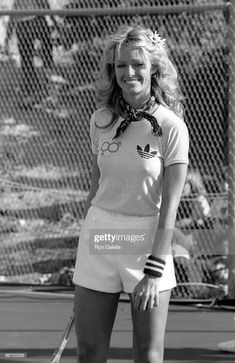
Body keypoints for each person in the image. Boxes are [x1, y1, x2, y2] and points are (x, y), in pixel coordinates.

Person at [72, 24, 189, 363]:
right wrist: (85, 249)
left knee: (148, 355)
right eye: (120, 65)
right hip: (101, 235)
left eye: (137, 64)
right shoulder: (100, 120)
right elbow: (96, 187)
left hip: (147, 241)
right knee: (90, 352)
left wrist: (154, 271)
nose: (128, 72)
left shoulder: (171, 126)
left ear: (154, 68)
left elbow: (170, 208)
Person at [5, 0, 55, 108]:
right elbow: (12, 16)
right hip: (30, 22)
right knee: (29, 57)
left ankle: (41, 82)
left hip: (31, 21)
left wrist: (7, 37)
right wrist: (53, 20)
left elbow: (12, 17)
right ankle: (34, 87)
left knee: (31, 56)